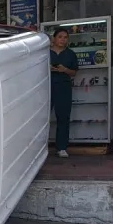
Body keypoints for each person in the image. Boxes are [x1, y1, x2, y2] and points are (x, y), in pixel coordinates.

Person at [50, 27, 78, 158]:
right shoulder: (45, 53)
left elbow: (74, 72)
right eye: (60, 37)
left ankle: (61, 147)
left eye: (65, 37)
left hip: (63, 88)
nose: (63, 40)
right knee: (42, 118)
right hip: (46, 87)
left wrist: (64, 70)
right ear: (54, 38)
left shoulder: (70, 54)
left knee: (63, 117)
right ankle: (38, 147)